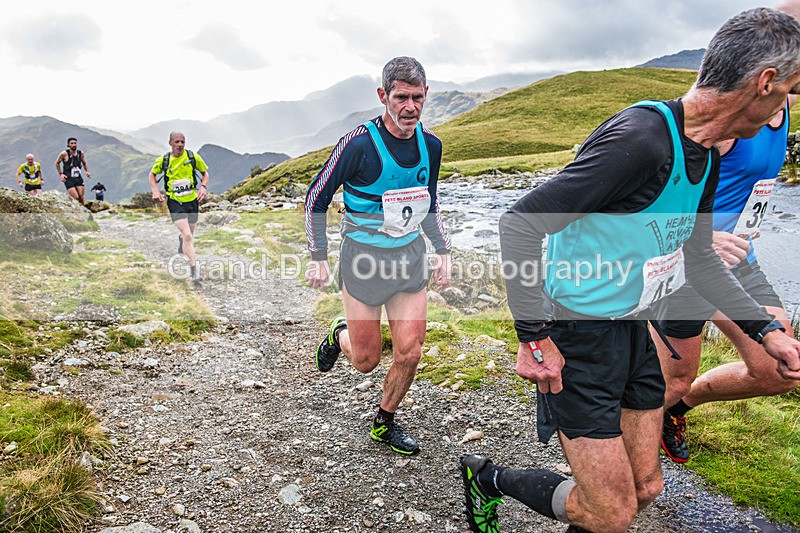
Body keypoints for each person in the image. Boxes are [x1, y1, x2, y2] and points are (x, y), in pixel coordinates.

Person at [460, 9, 800, 533]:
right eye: (790, 92)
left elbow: (699, 256)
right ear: (765, 82)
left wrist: (764, 330)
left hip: (632, 331)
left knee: (645, 489)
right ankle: (488, 478)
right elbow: (520, 223)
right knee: (613, 512)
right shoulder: (641, 139)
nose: (788, 107)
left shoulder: (704, 153)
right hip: (576, 339)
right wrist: (533, 337)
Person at [655, 0, 800, 466]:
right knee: (666, 380)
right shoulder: (731, 115)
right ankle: (620, 474)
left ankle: (678, 409)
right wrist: (688, 237)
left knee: (779, 369)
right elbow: (665, 183)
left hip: (743, 258)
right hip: (692, 262)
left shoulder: (783, 100)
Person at [304, 56, 451, 456]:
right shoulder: (359, 143)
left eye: (417, 98)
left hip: (409, 259)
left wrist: (443, 251)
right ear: (383, 96)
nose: (410, 107)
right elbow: (316, 197)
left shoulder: (431, 146)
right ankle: (340, 333)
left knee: (410, 351)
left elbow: (429, 203)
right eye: (401, 97)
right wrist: (318, 254)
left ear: (425, 96)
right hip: (363, 261)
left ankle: (384, 421)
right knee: (367, 360)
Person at [148, 131, 209, 287]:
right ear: (170, 143)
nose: (180, 144)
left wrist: (203, 187)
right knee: (188, 235)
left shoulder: (192, 157)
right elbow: (152, 174)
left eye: (182, 142)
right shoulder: (164, 160)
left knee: (190, 234)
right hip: (175, 201)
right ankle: (194, 272)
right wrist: (155, 190)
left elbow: (204, 173)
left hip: (192, 200)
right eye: (177, 142)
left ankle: (182, 241)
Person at [55, 137, 91, 205]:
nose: (74, 145)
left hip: (78, 177)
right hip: (68, 178)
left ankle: (83, 212)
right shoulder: (64, 154)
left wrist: (87, 171)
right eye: (71, 143)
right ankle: (75, 212)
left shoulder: (80, 153)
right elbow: (57, 163)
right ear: (68, 145)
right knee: (76, 197)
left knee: (81, 197)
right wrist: (61, 174)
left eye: (75, 143)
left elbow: (84, 163)